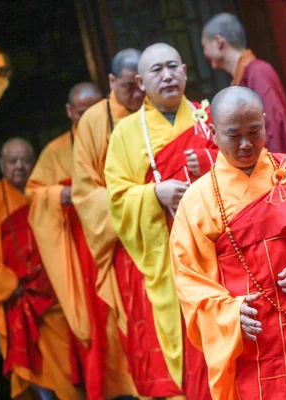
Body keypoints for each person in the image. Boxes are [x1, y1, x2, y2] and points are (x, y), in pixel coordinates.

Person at [170, 85, 286, 399]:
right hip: (254, 345)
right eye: (233, 135)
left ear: (265, 122)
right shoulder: (197, 202)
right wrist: (227, 313)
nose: (245, 144)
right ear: (213, 133)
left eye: (254, 131)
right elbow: (188, 278)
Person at [105, 42, 216, 399]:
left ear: (185, 70)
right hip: (169, 255)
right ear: (140, 82)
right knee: (188, 341)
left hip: (219, 247)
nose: (167, 76)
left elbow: (249, 163)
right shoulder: (125, 133)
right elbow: (117, 198)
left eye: (173, 67)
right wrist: (155, 193)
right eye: (157, 70)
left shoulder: (208, 117)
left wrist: (209, 161)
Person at [26, 82, 140, 400]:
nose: (89, 117)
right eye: (81, 112)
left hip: (119, 235)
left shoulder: (119, 132)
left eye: (94, 109)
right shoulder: (56, 150)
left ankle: (140, 382)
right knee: (98, 315)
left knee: (130, 308)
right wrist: (57, 194)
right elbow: (34, 193)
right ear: (68, 112)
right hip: (83, 246)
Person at [0, 138, 85, 399]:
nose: (20, 166)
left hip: (57, 299)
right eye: (13, 161)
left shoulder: (45, 193)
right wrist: (11, 286)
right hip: (21, 300)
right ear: (2, 166)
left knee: (68, 369)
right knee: (33, 369)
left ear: (35, 164)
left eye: (26, 160)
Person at [71, 49, 144, 370]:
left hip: (170, 236)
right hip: (125, 242)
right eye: (130, 86)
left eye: (143, 84)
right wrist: (140, 201)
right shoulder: (94, 121)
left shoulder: (160, 107)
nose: (139, 93)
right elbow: (85, 193)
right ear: (112, 81)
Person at [202, 13, 286, 154]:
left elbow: (274, 127)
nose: (204, 53)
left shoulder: (258, 71)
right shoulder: (244, 77)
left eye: (204, 45)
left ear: (219, 42)